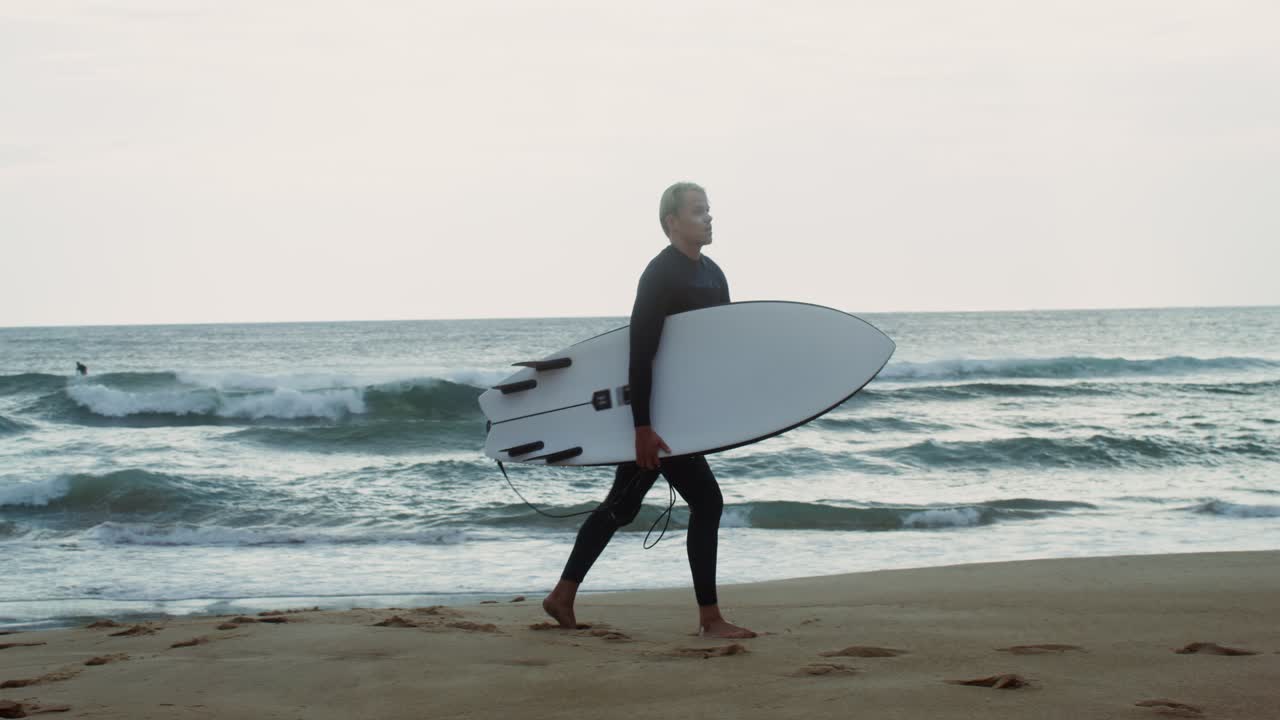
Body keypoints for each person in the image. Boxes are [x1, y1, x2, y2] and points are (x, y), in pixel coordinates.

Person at [541, 182, 756, 639]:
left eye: (709, 210)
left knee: (622, 506)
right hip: (657, 420)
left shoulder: (714, 274)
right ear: (671, 221)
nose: (709, 217)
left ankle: (562, 594)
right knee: (706, 502)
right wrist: (643, 426)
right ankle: (710, 619)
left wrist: (719, 416)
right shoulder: (660, 275)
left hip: (681, 420)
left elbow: (718, 351)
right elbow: (641, 354)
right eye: (698, 211)